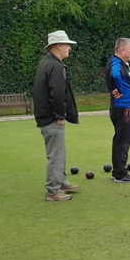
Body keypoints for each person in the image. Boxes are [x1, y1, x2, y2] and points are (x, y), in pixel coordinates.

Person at [33, 30, 80, 201]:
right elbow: (57, 93)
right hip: (51, 117)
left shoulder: (47, 63)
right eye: (67, 44)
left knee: (58, 151)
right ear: (58, 45)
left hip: (46, 115)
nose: (69, 48)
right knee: (56, 154)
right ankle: (53, 191)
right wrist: (60, 114)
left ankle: (61, 181)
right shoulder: (54, 65)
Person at [105, 37, 130, 183]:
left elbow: (119, 77)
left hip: (125, 108)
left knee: (122, 140)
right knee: (122, 141)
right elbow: (114, 74)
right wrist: (119, 89)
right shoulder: (115, 63)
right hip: (123, 108)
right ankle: (119, 173)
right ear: (122, 50)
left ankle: (119, 170)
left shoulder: (121, 64)